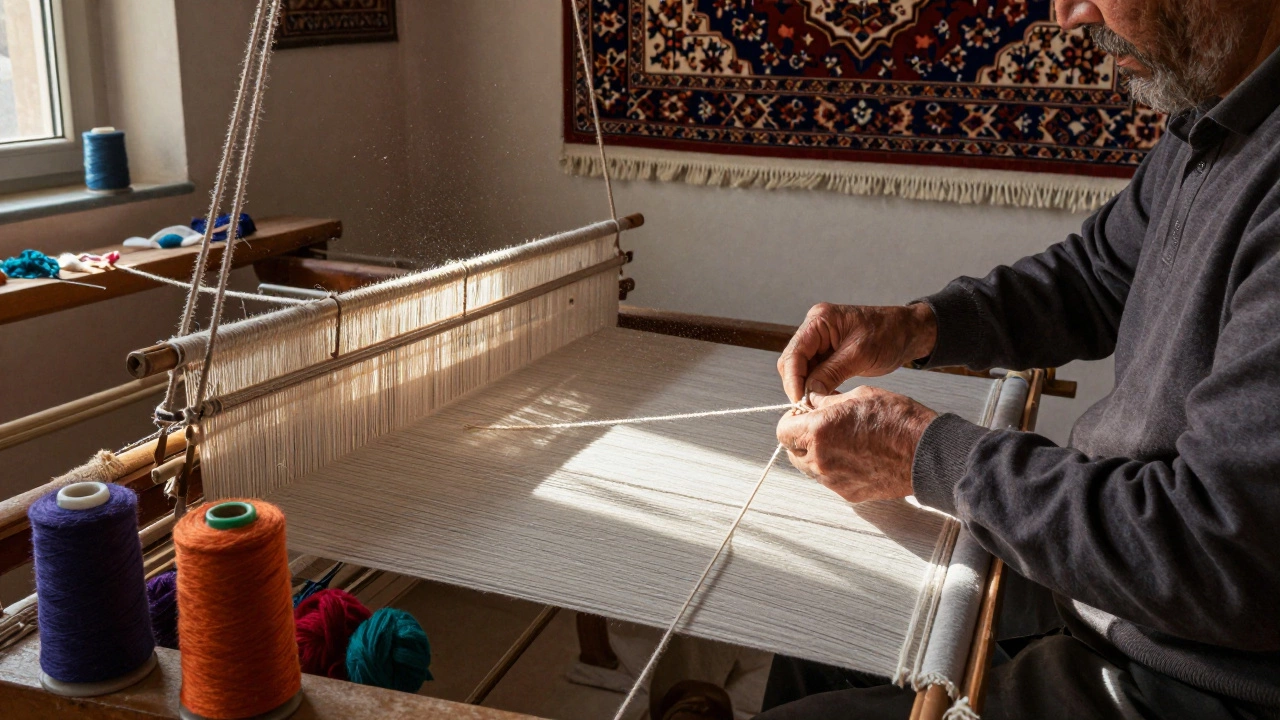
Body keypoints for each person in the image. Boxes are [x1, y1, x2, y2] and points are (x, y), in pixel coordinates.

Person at [763, 0, 1280, 718]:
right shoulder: (1222, 108)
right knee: (813, 624)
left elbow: (1217, 548)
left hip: (1201, 678)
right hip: (1127, 599)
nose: (1068, 14)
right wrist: (917, 326)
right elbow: (1098, 274)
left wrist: (921, 454)